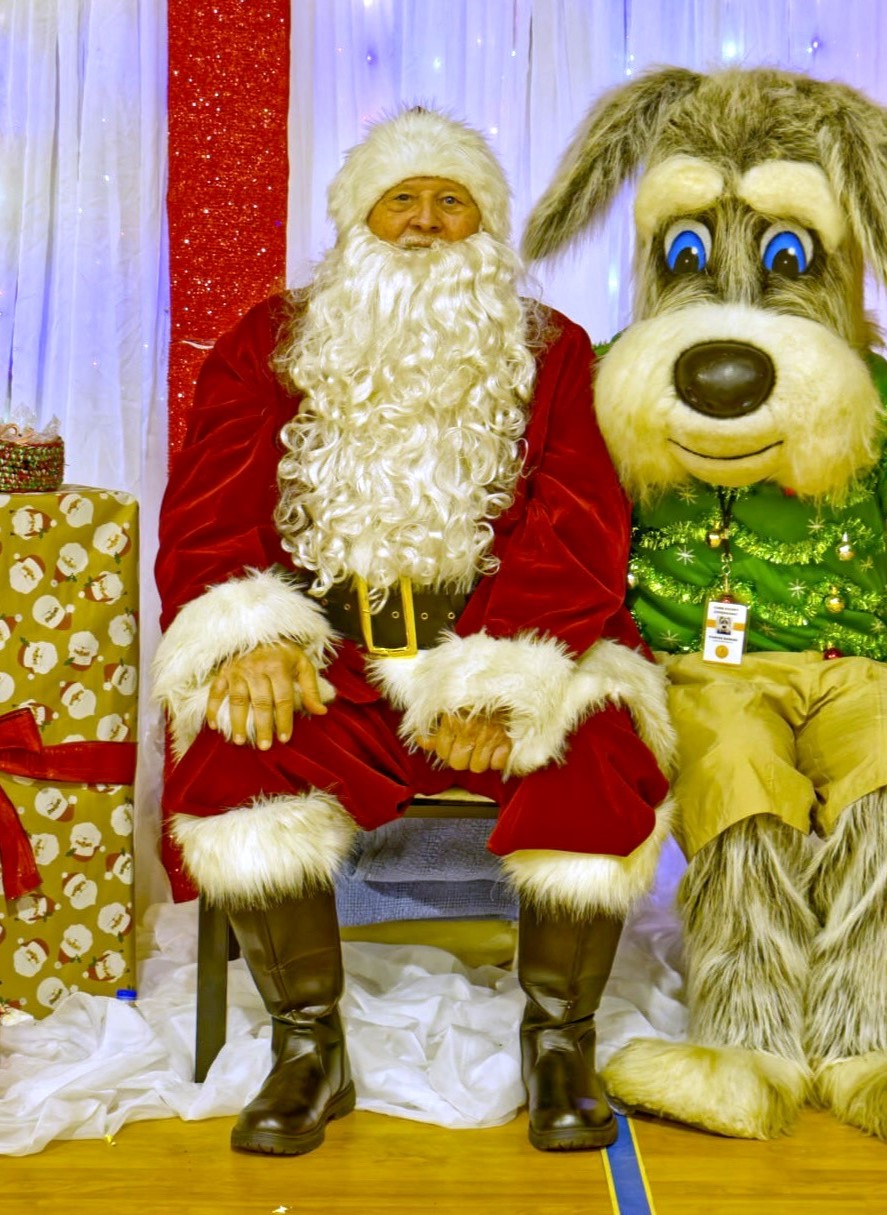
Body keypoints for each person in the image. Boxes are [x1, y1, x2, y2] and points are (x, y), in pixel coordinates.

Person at [152, 107, 673, 1157]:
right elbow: (210, 507)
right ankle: (309, 1048)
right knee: (235, 748)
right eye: (402, 201)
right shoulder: (271, 342)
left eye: (451, 201)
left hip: (498, 642)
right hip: (328, 658)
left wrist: (498, 676)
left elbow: (580, 524)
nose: (426, 222)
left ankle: (559, 1041)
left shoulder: (554, 350)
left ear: (487, 226)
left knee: (597, 746)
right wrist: (249, 635)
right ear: (359, 219)